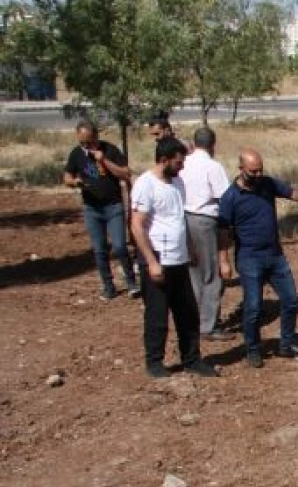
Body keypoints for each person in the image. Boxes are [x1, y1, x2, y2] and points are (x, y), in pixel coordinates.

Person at [216, 148, 298, 368]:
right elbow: (223, 232)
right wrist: (224, 261)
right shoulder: (230, 198)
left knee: (290, 300)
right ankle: (253, 349)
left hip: (275, 255)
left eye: (260, 170)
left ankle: (286, 344)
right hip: (249, 258)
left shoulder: (267, 183)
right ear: (241, 169)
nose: (258, 175)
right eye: (253, 171)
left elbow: (291, 192)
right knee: (253, 307)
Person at [130, 137, 217, 379]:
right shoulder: (146, 184)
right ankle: (154, 362)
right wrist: (151, 261)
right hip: (158, 258)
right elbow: (137, 225)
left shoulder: (178, 183)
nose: (182, 166)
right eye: (178, 162)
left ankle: (192, 359)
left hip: (179, 259)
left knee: (187, 313)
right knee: (157, 315)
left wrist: (190, 247)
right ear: (164, 159)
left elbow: (180, 218)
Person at [62, 120, 139, 301]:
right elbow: (67, 176)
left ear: (96, 137)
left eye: (89, 142)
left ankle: (131, 282)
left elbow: (125, 173)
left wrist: (103, 160)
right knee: (99, 249)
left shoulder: (110, 150)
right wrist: (75, 182)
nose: (86, 146)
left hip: (113, 206)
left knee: (120, 246)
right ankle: (108, 287)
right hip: (92, 208)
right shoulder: (76, 154)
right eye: (82, 143)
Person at [180, 126, 234, 341]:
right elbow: (225, 198)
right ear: (213, 145)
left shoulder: (184, 163)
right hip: (205, 220)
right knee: (212, 273)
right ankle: (208, 325)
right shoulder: (213, 166)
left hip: (184, 219)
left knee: (193, 272)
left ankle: (193, 320)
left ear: (194, 143)